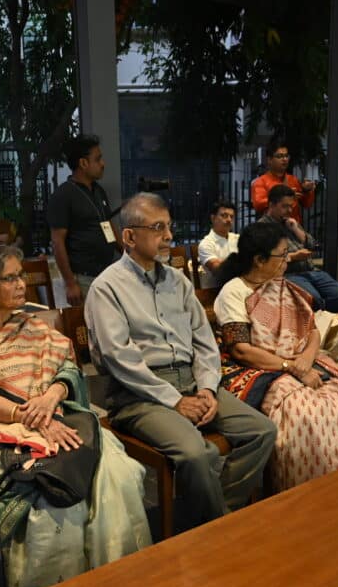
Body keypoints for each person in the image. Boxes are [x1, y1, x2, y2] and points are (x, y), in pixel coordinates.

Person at [0, 244, 150, 587]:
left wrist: (51, 398)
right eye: (8, 278)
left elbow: (67, 369)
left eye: (20, 275)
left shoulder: (36, 326)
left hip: (58, 416)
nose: (20, 284)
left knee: (121, 474)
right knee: (53, 505)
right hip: (2, 430)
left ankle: (122, 584)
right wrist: (34, 418)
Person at [85, 192, 275, 529]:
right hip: (138, 396)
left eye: (169, 227)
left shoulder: (178, 281)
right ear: (129, 236)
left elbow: (204, 340)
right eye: (158, 228)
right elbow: (119, 359)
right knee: (196, 452)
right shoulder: (106, 288)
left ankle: (214, 517)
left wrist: (207, 389)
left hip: (191, 382)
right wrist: (174, 400)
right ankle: (222, 528)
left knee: (261, 431)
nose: (169, 236)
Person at [213, 222, 338, 491]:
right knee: (306, 413)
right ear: (259, 260)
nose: (287, 260)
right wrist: (292, 366)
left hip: (298, 362)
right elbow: (241, 350)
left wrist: (305, 358)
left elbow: (312, 330)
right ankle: (309, 492)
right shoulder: (234, 292)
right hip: (255, 369)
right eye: (282, 255)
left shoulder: (283, 286)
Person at [47, 134, 117, 306]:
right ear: (83, 163)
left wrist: (129, 256)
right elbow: (57, 242)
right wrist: (70, 283)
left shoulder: (98, 191)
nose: (103, 164)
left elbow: (108, 225)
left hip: (107, 273)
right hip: (83, 278)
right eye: (98, 159)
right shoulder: (63, 195)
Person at [258, 184, 338, 312]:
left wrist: (296, 229)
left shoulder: (290, 222)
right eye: (284, 206)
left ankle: (324, 317)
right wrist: (294, 257)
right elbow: (267, 259)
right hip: (289, 274)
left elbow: (313, 245)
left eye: (291, 206)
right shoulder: (262, 227)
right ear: (271, 205)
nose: (289, 210)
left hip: (311, 271)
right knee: (313, 299)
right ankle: (319, 318)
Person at [250, 138, 316, 225]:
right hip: (271, 228)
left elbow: (307, 204)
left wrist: (307, 191)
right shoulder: (260, 182)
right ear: (269, 160)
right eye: (279, 156)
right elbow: (258, 205)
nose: (284, 159)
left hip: (293, 228)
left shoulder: (293, 180)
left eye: (286, 156)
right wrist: (283, 197)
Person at [197, 200, 239, 289]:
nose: (229, 220)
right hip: (216, 291)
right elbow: (218, 270)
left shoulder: (238, 239)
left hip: (239, 286)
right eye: (224, 216)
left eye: (232, 217)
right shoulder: (206, 244)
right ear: (213, 218)